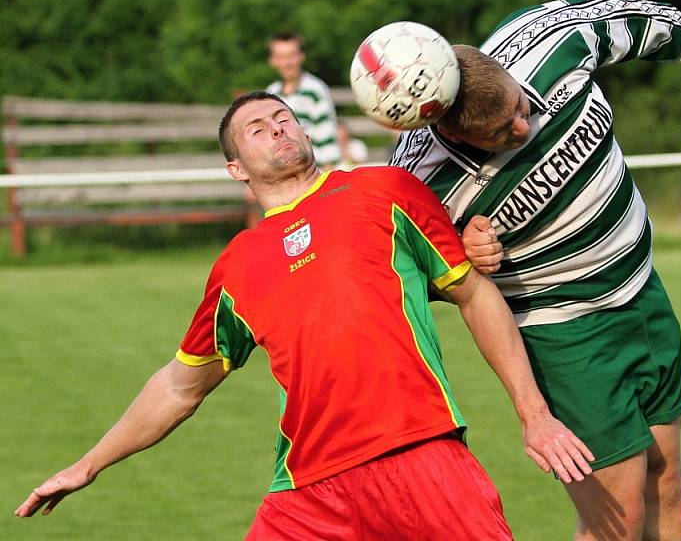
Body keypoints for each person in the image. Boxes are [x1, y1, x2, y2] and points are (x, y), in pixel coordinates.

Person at [16, 91, 594, 539]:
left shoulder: (385, 191)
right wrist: (88, 464)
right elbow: (178, 386)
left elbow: (472, 293)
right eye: (257, 129)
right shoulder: (235, 268)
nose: (277, 129)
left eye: (284, 118)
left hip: (421, 454)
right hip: (308, 489)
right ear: (237, 169)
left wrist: (534, 414)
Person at [390, 0, 681, 541]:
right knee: (617, 524)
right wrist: (460, 255)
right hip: (566, 337)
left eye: (521, 107)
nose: (524, 128)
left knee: (667, 489)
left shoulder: (548, 41)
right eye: (501, 133)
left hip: (643, 292)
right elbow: (400, 274)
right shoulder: (422, 180)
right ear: (451, 135)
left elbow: (639, 23)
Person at [266, 32, 340, 168]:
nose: (287, 63)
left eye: (291, 56)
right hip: (282, 171)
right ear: (272, 60)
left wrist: (328, 171)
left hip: (312, 169)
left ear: (301, 56)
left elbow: (326, 134)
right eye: (281, 57)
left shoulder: (314, 90)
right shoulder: (271, 93)